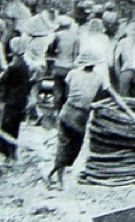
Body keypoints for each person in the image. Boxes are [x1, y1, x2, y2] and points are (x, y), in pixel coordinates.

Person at [46, 51, 110, 190]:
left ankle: (52, 173)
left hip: (74, 114)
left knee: (72, 149)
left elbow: (70, 93)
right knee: (65, 147)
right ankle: (59, 181)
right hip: (75, 114)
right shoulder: (83, 76)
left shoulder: (88, 76)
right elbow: (88, 96)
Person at [0, 37, 33, 159]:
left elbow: (3, 83)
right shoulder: (25, 65)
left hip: (11, 101)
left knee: (7, 127)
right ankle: (12, 152)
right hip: (20, 100)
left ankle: (6, 153)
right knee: (15, 127)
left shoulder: (13, 66)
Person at [47, 14, 79, 110]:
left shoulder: (57, 36)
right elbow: (76, 54)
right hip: (70, 66)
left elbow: (51, 50)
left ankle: (57, 111)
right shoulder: (76, 37)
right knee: (68, 92)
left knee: (57, 90)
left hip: (58, 65)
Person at [114, 21, 135, 97]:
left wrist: (118, 73)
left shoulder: (123, 42)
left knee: (124, 98)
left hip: (126, 70)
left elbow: (116, 59)